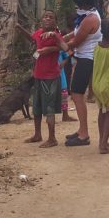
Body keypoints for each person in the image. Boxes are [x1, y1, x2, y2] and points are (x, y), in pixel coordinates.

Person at [24, 10, 68, 147]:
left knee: (49, 108)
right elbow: (32, 38)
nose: (47, 19)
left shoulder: (57, 35)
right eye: (45, 16)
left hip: (50, 77)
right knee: (37, 107)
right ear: (41, 20)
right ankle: (37, 134)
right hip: (38, 75)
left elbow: (65, 48)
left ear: (55, 22)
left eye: (51, 17)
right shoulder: (38, 33)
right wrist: (19, 28)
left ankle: (52, 138)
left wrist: (54, 37)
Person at [65, 0, 102, 147]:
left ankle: (84, 133)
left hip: (87, 58)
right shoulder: (87, 16)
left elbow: (76, 42)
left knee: (77, 94)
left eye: (82, 4)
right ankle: (81, 130)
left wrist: (57, 45)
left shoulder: (90, 19)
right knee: (76, 94)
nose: (79, 7)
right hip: (83, 57)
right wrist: (62, 36)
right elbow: (75, 33)